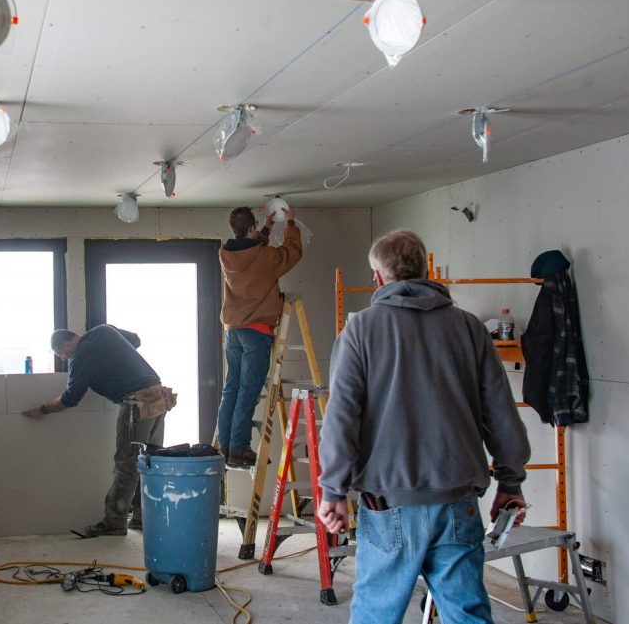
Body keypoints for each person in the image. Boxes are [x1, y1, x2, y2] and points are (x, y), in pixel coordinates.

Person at [317, 231, 532, 624]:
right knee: (467, 615)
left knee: (375, 616)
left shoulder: (360, 330)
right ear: (425, 269)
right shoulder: (469, 329)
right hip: (458, 501)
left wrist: (332, 490)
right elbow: (501, 413)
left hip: (388, 506)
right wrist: (511, 482)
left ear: (378, 278)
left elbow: (342, 418)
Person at [22, 325, 171, 537]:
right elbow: (135, 340)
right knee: (148, 461)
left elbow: (70, 398)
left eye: (60, 354)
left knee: (127, 463)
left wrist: (43, 410)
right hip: (158, 398)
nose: (64, 358)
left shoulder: (81, 356)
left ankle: (114, 522)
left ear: (65, 345)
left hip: (137, 405)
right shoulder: (104, 330)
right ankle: (143, 518)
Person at [217, 205, 303, 467]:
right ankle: (239, 449)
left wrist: (266, 228)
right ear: (251, 228)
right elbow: (291, 254)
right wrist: (290, 224)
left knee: (231, 389)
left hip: (233, 331)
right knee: (247, 391)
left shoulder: (227, 255)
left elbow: (252, 252)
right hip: (257, 332)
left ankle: (225, 447)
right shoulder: (264, 257)